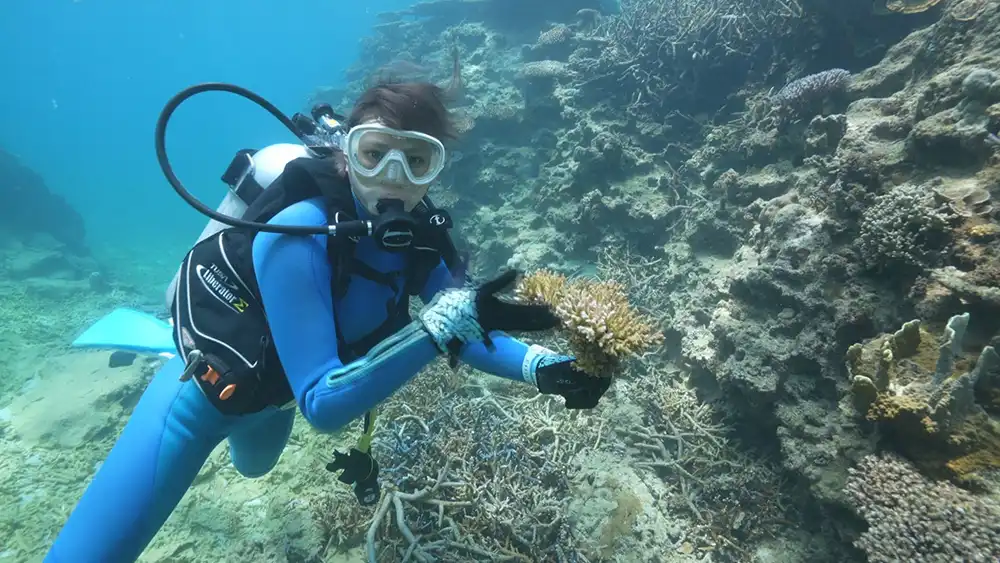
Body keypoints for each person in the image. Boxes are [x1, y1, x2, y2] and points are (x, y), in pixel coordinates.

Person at [43, 71, 611, 563]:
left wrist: (542, 367)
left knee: (255, 469)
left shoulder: (419, 243)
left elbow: (464, 325)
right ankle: (175, 349)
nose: (393, 177)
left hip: (272, 399)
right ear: (346, 155)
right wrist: (438, 328)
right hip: (201, 398)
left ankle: (239, 404)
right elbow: (325, 403)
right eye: (374, 153)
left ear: (435, 171)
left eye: (416, 161)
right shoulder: (294, 235)